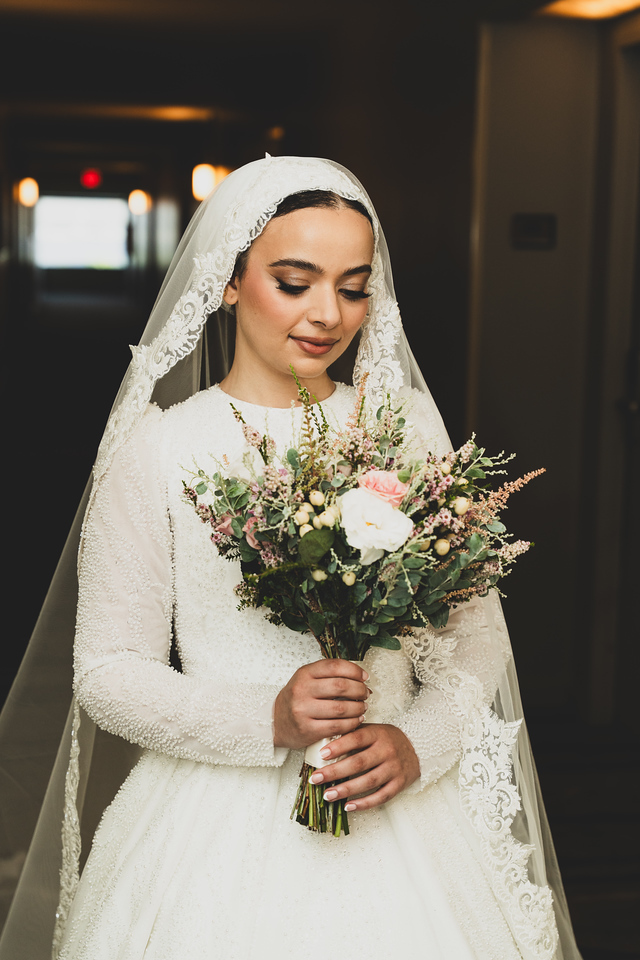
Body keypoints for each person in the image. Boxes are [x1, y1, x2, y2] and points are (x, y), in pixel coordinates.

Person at [0, 156, 582, 960]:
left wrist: (418, 741)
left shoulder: (402, 427)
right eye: (294, 280)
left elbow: (477, 637)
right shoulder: (159, 449)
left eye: (352, 286)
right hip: (210, 826)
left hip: (401, 809)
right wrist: (267, 717)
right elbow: (107, 672)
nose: (327, 314)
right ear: (231, 281)